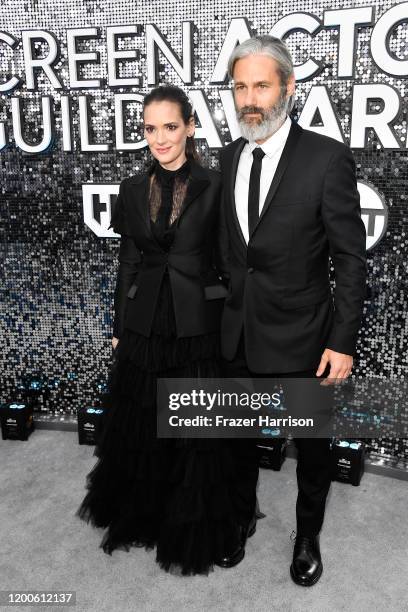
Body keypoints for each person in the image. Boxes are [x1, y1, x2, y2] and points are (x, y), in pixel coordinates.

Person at [75, 84, 257, 575]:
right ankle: (150, 515)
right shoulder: (133, 189)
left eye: (170, 127)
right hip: (145, 324)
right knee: (143, 427)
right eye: (150, 129)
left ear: (190, 127)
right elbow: (128, 261)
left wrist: (238, 318)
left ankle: (196, 521)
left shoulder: (218, 184)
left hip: (198, 321)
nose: (160, 139)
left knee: (198, 431)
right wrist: (119, 323)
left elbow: (229, 259)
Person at [217, 36, 367, 585]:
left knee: (313, 451)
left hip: (306, 339)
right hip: (237, 337)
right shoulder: (230, 154)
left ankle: (307, 535)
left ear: (288, 88)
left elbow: (351, 260)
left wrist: (344, 340)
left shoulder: (327, 158)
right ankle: (240, 520)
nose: (249, 98)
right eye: (240, 86)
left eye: (260, 85)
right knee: (233, 443)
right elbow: (233, 255)